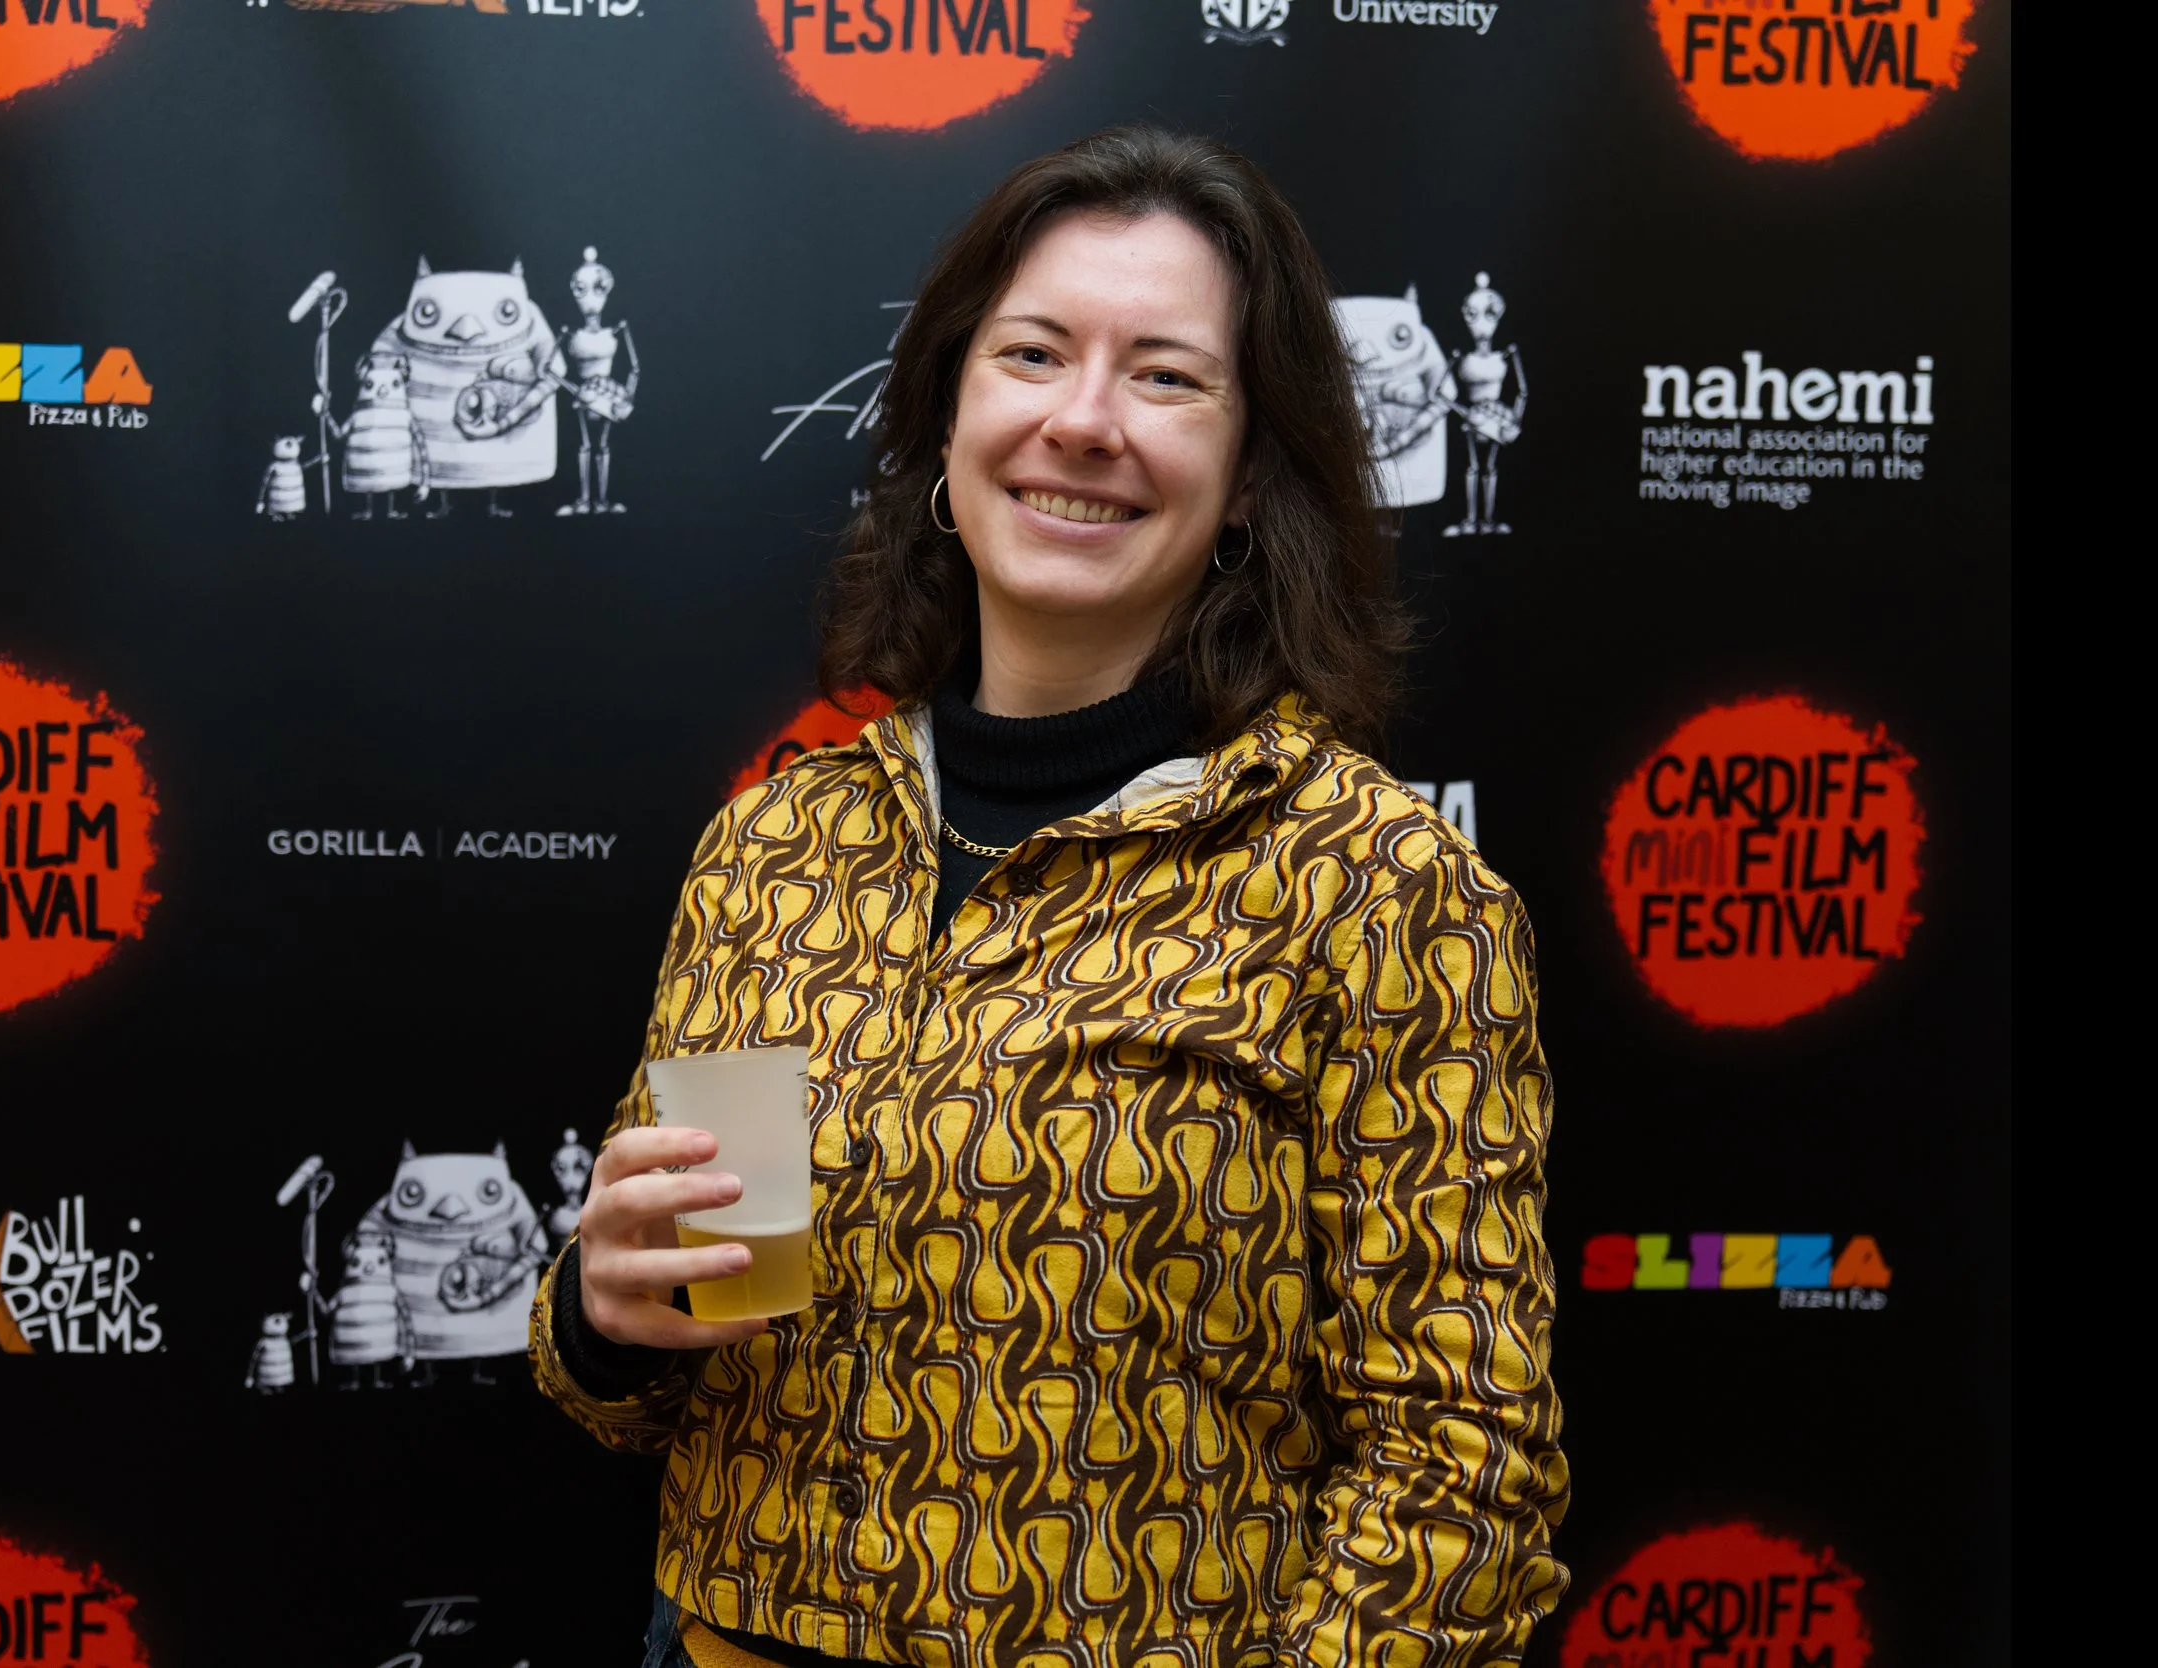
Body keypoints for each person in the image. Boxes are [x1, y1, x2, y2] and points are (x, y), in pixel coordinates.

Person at [530, 126, 1568, 1668]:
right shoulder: (774, 850)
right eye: (1033, 354)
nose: (1084, 420)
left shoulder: (1377, 889)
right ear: (951, 422)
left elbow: (1463, 1481)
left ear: (1246, 479)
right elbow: (678, 1357)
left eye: (1164, 376)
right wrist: (601, 1321)